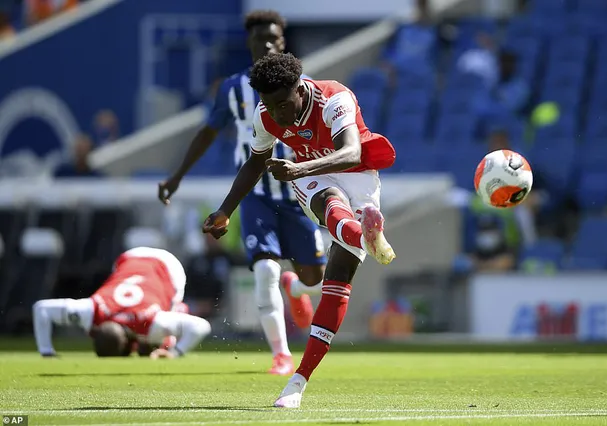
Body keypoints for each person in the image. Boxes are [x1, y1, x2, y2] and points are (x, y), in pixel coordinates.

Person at [201, 52, 397, 408]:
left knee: (337, 282)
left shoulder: (333, 98)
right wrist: (225, 210)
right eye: (268, 105)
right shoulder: (265, 116)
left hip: (358, 175)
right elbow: (256, 161)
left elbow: (351, 152)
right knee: (330, 200)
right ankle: (296, 382)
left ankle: (358, 236)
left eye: (281, 104)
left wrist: (299, 168)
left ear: (299, 90)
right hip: (313, 179)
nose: (276, 114)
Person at [158, 10, 327, 376]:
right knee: (264, 268)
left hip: (300, 192)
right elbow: (207, 132)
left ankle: (296, 288)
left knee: (318, 280)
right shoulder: (234, 89)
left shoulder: (307, 87)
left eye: (274, 38)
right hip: (256, 194)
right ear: (249, 43)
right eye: (259, 38)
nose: (267, 43)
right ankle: (281, 354)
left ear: (284, 42)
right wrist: (177, 176)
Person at [32, 247, 211, 358]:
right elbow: (41, 309)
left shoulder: (148, 321)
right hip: (129, 257)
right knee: (149, 344)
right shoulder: (93, 310)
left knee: (160, 340)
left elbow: (200, 326)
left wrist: (173, 353)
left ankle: (169, 337)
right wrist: (46, 351)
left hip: (168, 267)